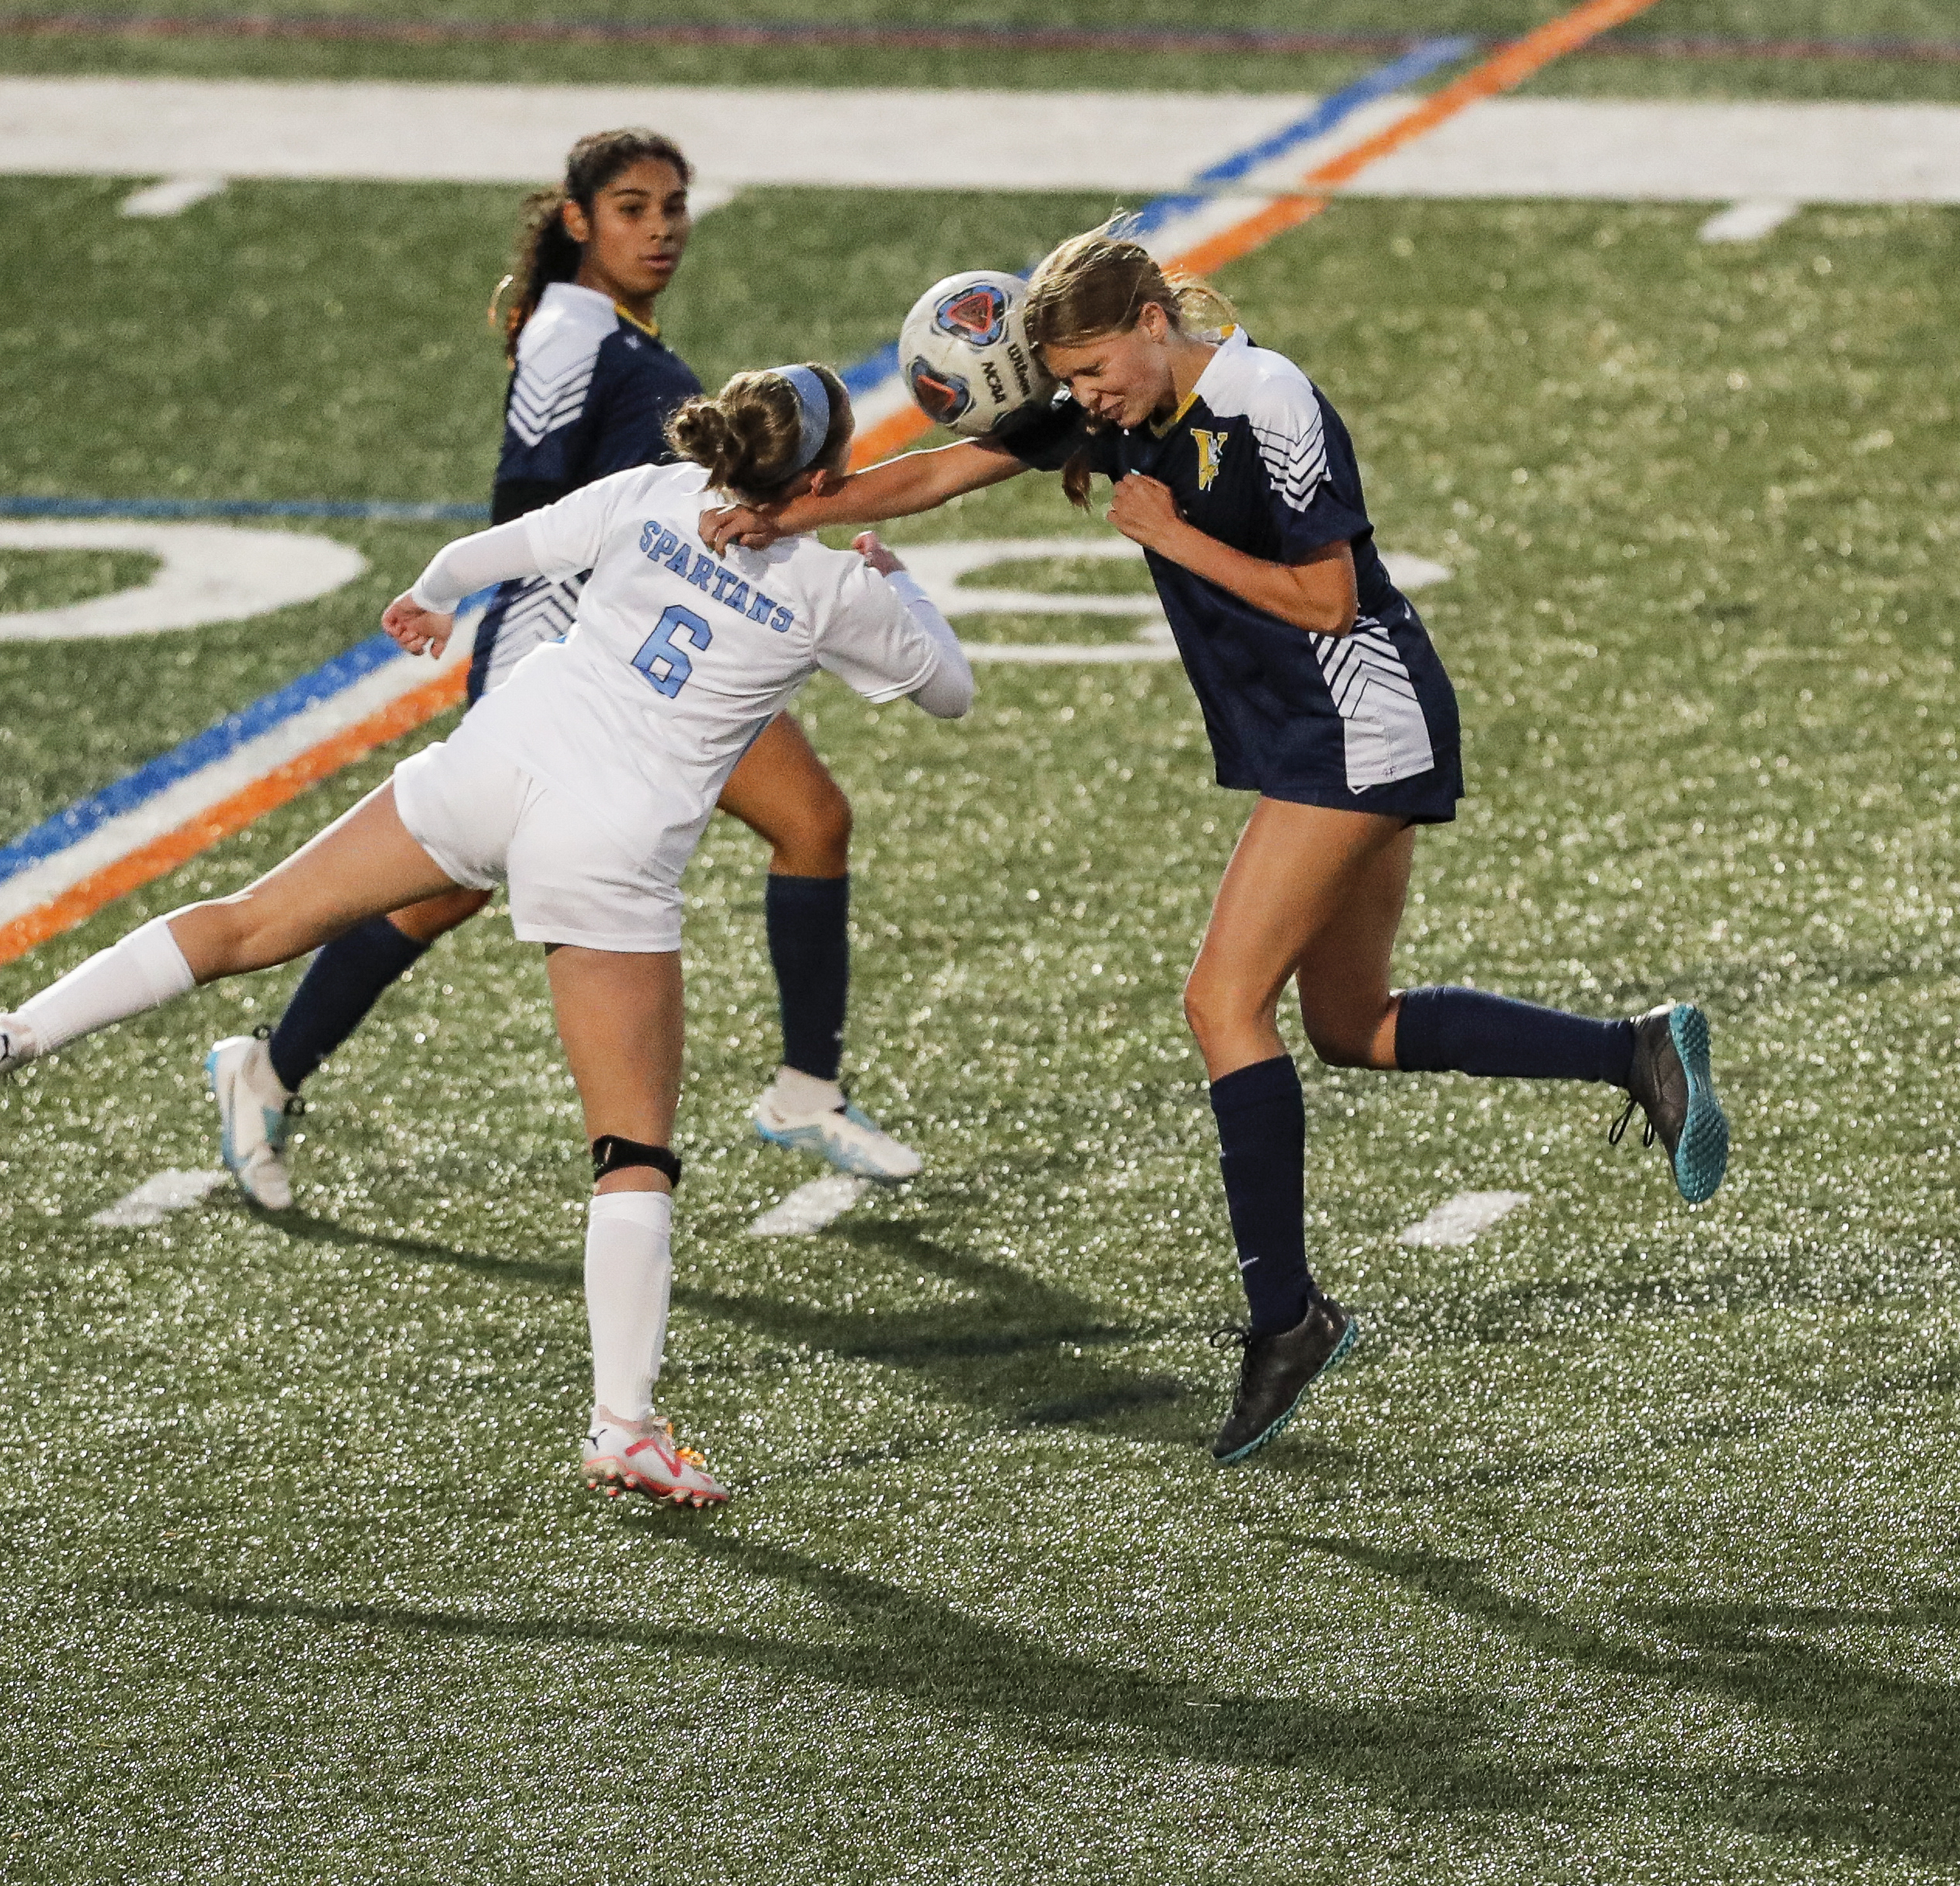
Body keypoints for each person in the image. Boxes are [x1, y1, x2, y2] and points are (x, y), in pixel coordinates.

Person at [703, 226, 1730, 1466]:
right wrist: (775, 517)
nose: (1081, 402)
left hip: (1358, 721)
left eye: (1091, 373)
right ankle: (1631, 1054)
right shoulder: (1119, 408)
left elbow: (1330, 600)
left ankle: (1284, 1317)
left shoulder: (1266, 398)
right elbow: (937, 473)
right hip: (1312, 734)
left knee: (1220, 1003)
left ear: (1151, 319)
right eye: (1069, 384)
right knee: (1352, 1025)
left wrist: (1164, 531)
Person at [0, 365, 975, 1507]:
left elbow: (480, 558)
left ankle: (15, 1033)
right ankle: (625, 1426)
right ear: (820, 478)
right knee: (631, 1154)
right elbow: (947, 691)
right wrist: (896, 581)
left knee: (250, 922)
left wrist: (429, 598)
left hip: (493, 766)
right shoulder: (834, 586)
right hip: (605, 846)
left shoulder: (653, 491)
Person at [206, 128, 921, 1217]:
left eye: (673, 206)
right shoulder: (565, 330)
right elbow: (524, 501)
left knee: (813, 821)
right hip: (573, 655)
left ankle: (803, 1087)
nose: (661, 228)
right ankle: (267, 1067)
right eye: (633, 208)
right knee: (445, 885)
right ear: (579, 220)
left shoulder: (621, 334)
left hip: (661, 652)